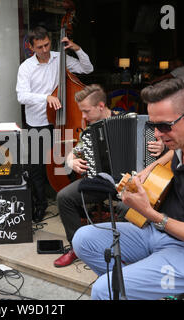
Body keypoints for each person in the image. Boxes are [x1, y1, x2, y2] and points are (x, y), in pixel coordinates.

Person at [72, 78, 184, 300]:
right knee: (83, 239)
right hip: (158, 232)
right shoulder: (183, 141)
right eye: (153, 126)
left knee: (105, 289)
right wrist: (148, 170)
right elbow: (172, 155)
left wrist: (148, 212)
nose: (158, 134)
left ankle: (122, 290)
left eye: (164, 126)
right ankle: (132, 292)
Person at [54, 84, 164, 267]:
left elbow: (165, 145)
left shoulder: (135, 122)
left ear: (101, 106)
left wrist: (161, 147)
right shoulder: (90, 132)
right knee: (63, 197)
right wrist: (70, 160)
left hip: (132, 184)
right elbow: (75, 152)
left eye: (86, 111)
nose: (83, 116)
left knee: (125, 208)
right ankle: (76, 247)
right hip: (102, 183)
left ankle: (119, 251)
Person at [16, 26, 94, 222]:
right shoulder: (26, 67)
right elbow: (21, 96)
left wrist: (76, 49)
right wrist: (46, 97)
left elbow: (87, 68)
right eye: (40, 47)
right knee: (37, 166)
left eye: (47, 45)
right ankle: (41, 205)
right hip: (38, 122)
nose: (44, 50)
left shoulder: (60, 58)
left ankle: (73, 202)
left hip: (64, 122)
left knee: (67, 164)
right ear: (31, 47)